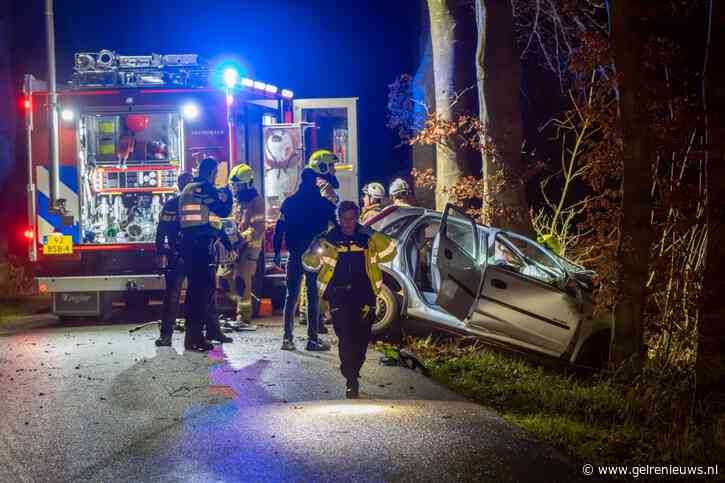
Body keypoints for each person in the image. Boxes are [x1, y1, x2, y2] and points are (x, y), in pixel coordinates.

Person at [303, 201, 397, 398]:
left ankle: (354, 370)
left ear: (357, 218)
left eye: (352, 218)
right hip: (338, 295)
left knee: (361, 338)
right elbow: (309, 265)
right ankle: (350, 378)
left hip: (365, 294)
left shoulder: (366, 239)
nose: (348, 223)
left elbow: (390, 251)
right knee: (345, 337)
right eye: (344, 219)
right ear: (339, 219)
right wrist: (313, 248)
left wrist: (371, 233)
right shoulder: (328, 240)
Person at [273, 160, 337, 352]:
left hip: (294, 254)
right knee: (312, 296)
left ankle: (287, 338)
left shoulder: (290, 202)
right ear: (315, 182)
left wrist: (277, 251)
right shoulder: (323, 204)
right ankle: (312, 339)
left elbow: (279, 228)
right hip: (314, 256)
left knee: (290, 296)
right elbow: (335, 226)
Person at [179, 157, 233, 352]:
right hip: (200, 247)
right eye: (216, 173)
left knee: (203, 289)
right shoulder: (205, 188)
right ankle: (194, 337)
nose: (216, 176)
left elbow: (212, 220)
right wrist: (229, 193)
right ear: (211, 172)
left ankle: (212, 330)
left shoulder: (189, 189)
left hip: (191, 245)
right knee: (202, 292)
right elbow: (223, 211)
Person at [216, 163, 265, 330]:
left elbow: (257, 228)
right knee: (223, 278)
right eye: (233, 185)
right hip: (236, 247)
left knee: (241, 281)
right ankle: (245, 303)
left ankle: (244, 317)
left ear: (247, 184)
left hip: (249, 248)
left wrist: (240, 240)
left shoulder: (255, 201)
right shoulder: (238, 201)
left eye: (237, 185)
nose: (234, 188)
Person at [154, 172, 194, 347]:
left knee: (172, 296)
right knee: (195, 296)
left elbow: (161, 230)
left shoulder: (171, 204)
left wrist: (160, 251)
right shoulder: (195, 204)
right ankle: (194, 335)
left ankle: (167, 336)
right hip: (191, 254)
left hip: (178, 255)